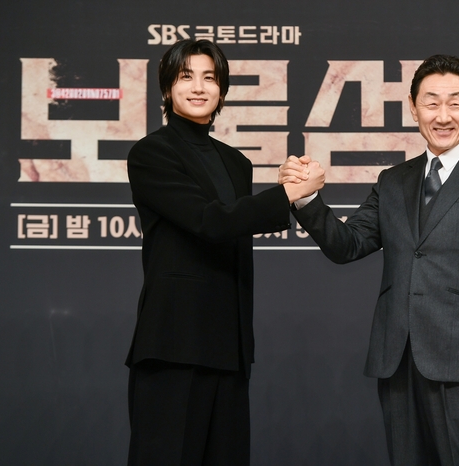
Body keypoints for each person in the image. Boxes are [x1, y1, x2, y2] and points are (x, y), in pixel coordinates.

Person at [280, 54, 459, 466]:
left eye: (455, 103)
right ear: (413, 107)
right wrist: (307, 199)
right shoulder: (394, 180)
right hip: (398, 362)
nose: (443, 116)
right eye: (431, 103)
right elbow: (348, 244)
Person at [125, 39, 324, 465]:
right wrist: (286, 194)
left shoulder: (236, 162)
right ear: (167, 87)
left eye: (210, 78)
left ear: (222, 89)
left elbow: (236, 225)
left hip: (229, 346)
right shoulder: (150, 153)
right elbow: (209, 221)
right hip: (174, 343)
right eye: (186, 77)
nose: (199, 87)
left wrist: (289, 188)